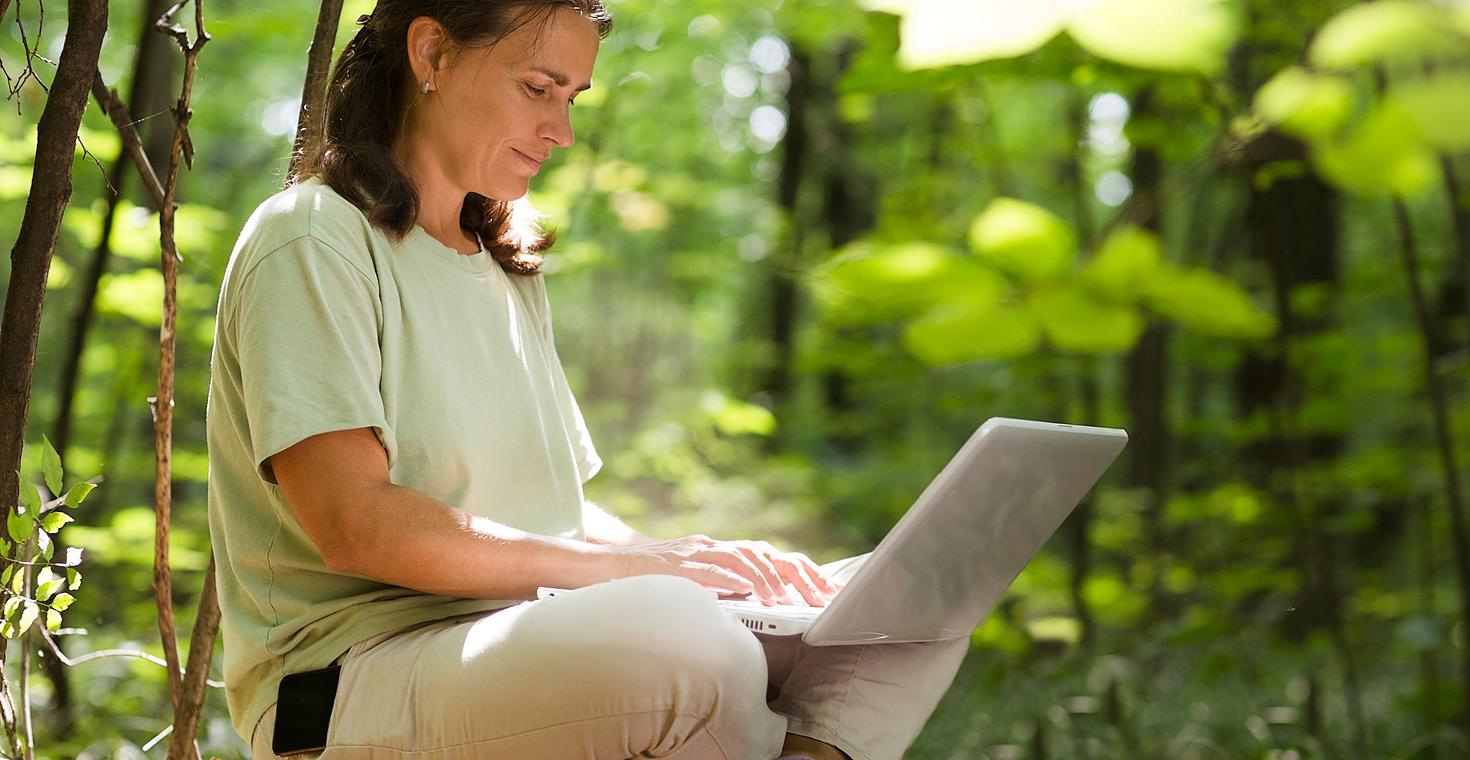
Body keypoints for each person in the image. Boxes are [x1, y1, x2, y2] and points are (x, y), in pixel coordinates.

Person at [204, 1, 969, 757]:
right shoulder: (310, 239)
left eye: (572, 99)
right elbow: (356, 524)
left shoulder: (503, 267)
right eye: (538, 89)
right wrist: (638, 575)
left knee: (902, 602)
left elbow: (555, 512)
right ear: (431, 54)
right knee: (688, 645)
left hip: (516, 640)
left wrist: (700, 563)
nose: (561, 133)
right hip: (345, 680)